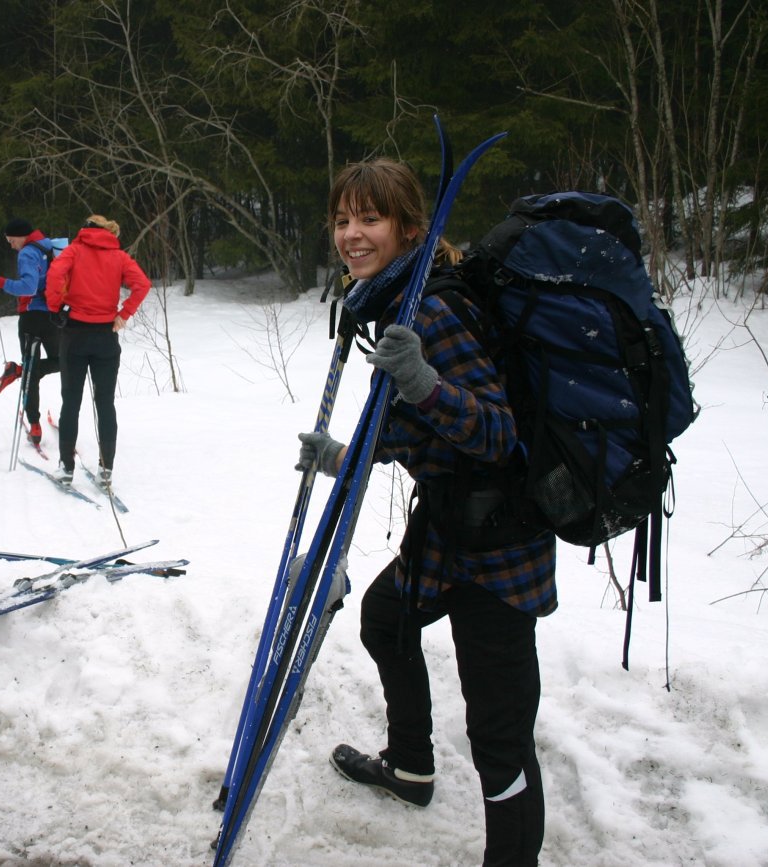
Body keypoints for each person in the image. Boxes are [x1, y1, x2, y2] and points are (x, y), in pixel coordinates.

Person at [296, 158, 556, 866]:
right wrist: (344, 457)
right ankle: (410, 768)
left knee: (499, 736)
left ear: (410, 228)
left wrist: (423, 381)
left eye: (370, 218)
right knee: (385, 616)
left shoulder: (431, 308)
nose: (352, 233)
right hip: (447, 530)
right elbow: (419, 430)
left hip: (498, 546)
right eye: (343, 218)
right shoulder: (393, 299)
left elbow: (498, 435)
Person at [43, 215, 150, 488]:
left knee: (71, 402)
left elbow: (55, 274)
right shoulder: (119, 256)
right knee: (105, 403)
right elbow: (142, 284)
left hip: (75, 334)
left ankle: (66, 468)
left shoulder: (75, 250)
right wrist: (123, 313)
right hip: (106, 336)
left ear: (87, 229)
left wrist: (55, 307)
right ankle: (106, 471)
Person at [0, 217, 62, 444]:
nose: (11, 245)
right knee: (62, 360)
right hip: (55, 316)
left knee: (30, 374)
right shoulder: (51, 246)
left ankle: (34, 424)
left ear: (20, 235)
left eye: (11, 240)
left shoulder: (27, 253)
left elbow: (28, 286)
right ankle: (21, 371)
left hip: (31, 317)